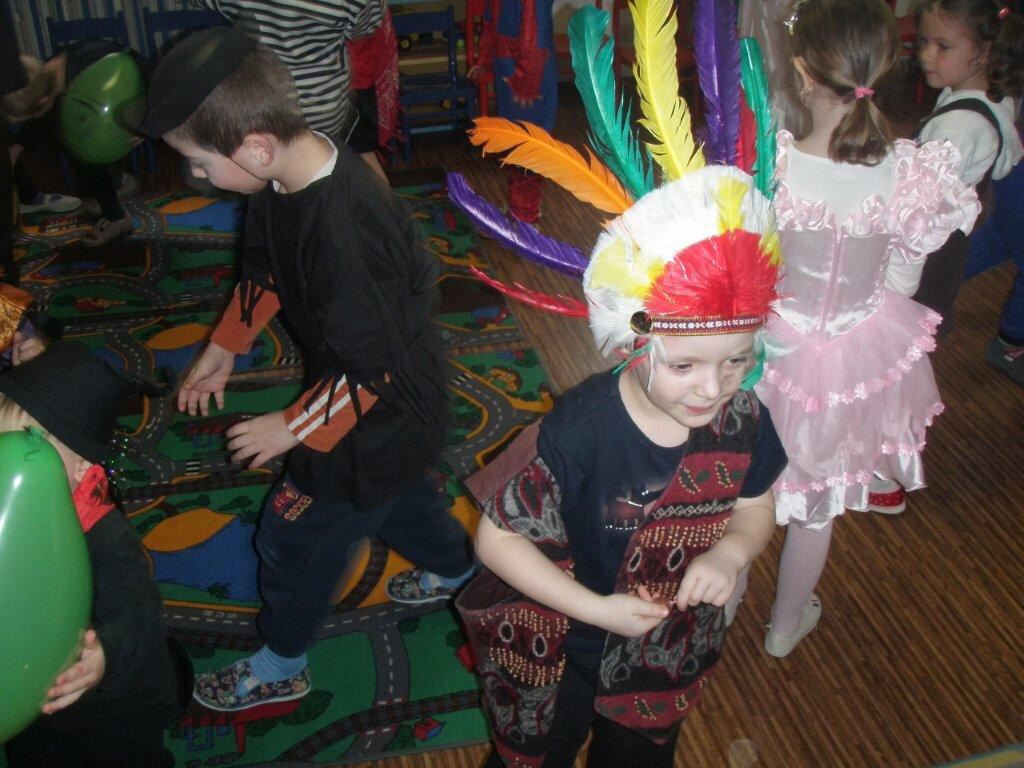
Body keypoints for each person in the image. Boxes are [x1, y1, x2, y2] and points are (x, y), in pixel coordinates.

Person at [141, 25, 475, 711]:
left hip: (378, 408)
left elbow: (371, 369)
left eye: (199, 164)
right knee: (393, 497)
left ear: (255, 145)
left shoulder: (343, 232)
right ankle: (456, 567)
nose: (198, 178)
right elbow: (265, 270)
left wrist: (290, 427)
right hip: (369, 393)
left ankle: (280, 665)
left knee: (294, 535)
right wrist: (225, 345)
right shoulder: (280, 176)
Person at [454, 161, 787, 766]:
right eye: (684, 365)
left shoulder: (743, 419)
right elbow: (498, 539)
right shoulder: (578, 431)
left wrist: (732, 552)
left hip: (665, 651)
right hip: (564, 645)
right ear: (634, 344)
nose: (713, 388)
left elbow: (755, 505)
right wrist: (596, 610)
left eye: (737, 361)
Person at [750, 0, 980, 657]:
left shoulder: (772, 167)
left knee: (746, 494)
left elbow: (752, 269)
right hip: (855, 357)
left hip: (770, 353)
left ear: (802, 72)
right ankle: (784, 627)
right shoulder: (912, 174)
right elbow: (902, 284)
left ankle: (725, 605)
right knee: (817, 507)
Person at [0, 341, 181, 768]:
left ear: (83, 467)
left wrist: (106, 657)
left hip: (108, 708)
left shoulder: (107, 537)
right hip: (37, 691)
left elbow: (140, 616)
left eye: (26, 453)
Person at [914, 0, 1024, 375]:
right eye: (924, 41)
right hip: (948, 245)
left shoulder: (958, 129)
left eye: (943, 46)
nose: (926, 55)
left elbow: (919, 205)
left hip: (925, 252)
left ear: (983, 52)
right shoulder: (990, 95)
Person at [195, 0, 388, 177]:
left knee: (271, 167)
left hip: (261, 105)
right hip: (323, 105)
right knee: (321, 166)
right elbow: (365, 27)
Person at [2, 42, 144, 247]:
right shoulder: (47, 75)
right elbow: (40, 117)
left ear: (42, 101)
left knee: (81, 146)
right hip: (100, 99)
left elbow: (143, 77)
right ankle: (117, 182)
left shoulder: (79, 82)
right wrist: (15, 150)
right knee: (63, 131)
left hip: (135, 97)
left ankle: (117, 216)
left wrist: (145, 125)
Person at [467, 0, 557, 223]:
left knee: (527, 148)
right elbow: (491, 20)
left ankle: (524, 218)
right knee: (513, 144)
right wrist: (483, 60)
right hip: (509, 72)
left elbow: (536, 34)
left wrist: (527, 85)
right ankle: (520, 208)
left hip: (529, 79)